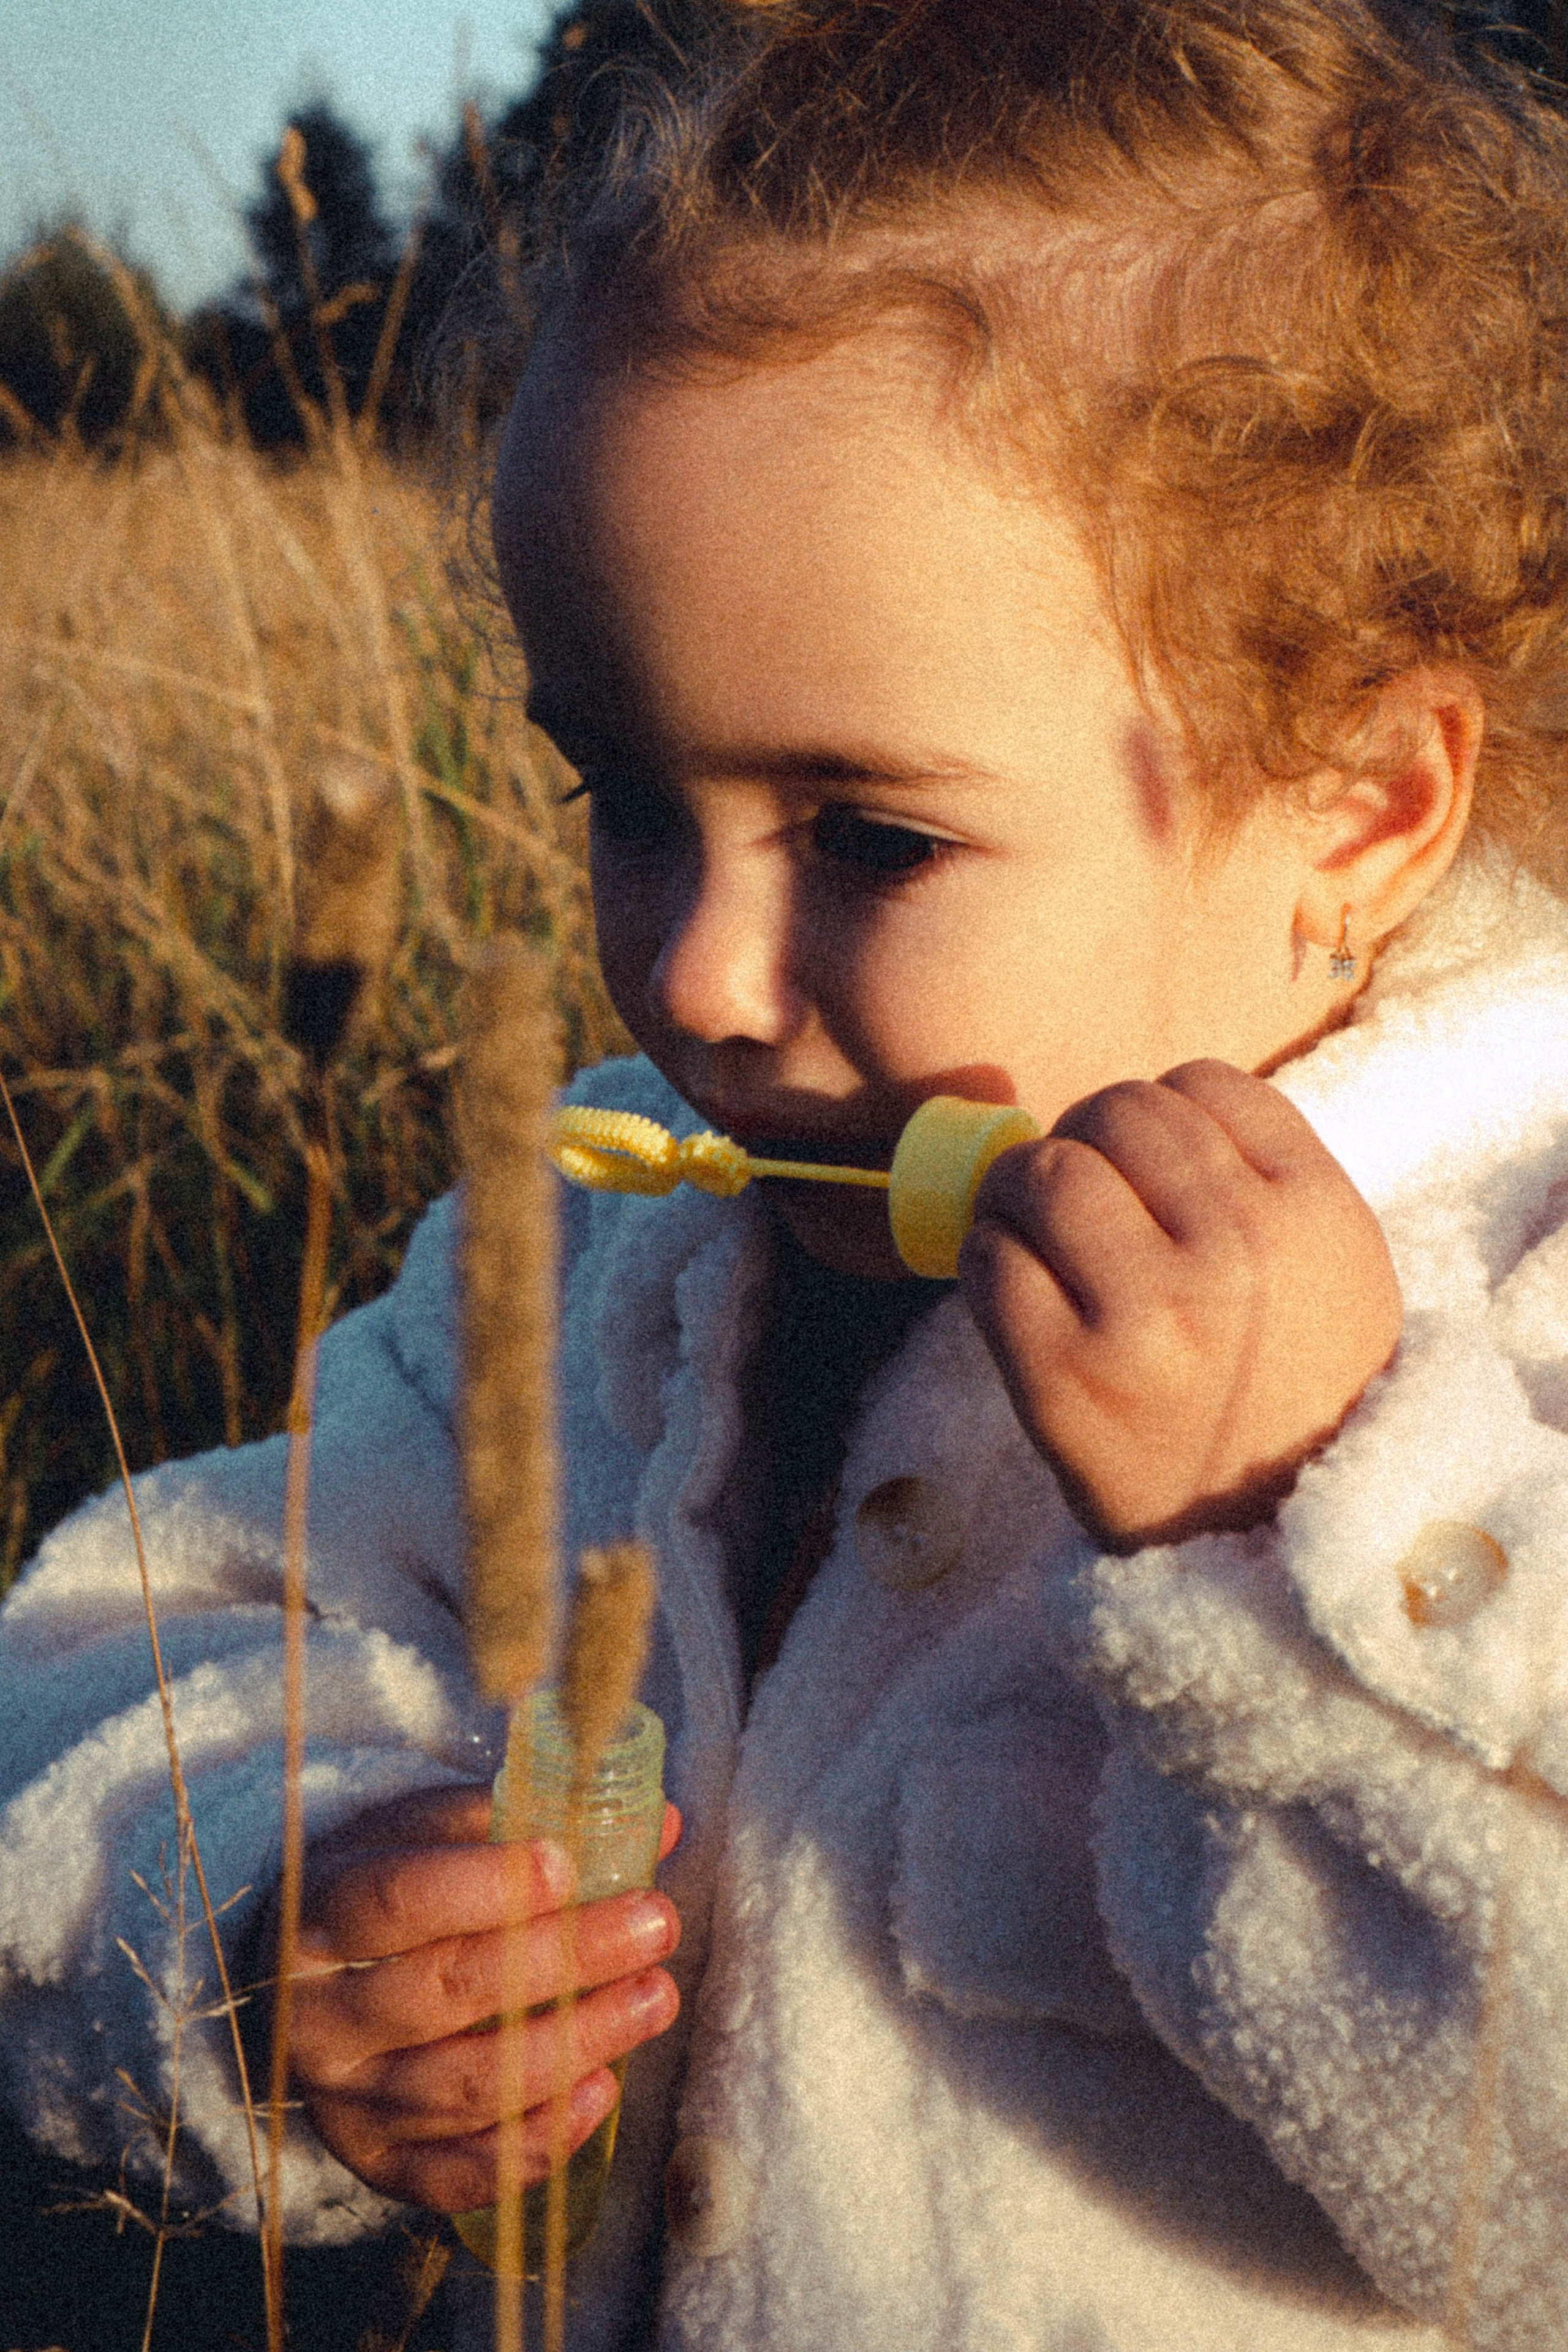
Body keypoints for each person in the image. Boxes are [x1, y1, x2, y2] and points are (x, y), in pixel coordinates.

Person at [6, 1, 1568, 2343]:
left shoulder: (1517, 1293)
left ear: (1358, 805)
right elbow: (123, 1637)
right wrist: (270, 1906)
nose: (705, 975)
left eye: (871, 835)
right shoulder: (599, 1268)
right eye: (624, 797)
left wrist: (1282, 1534)